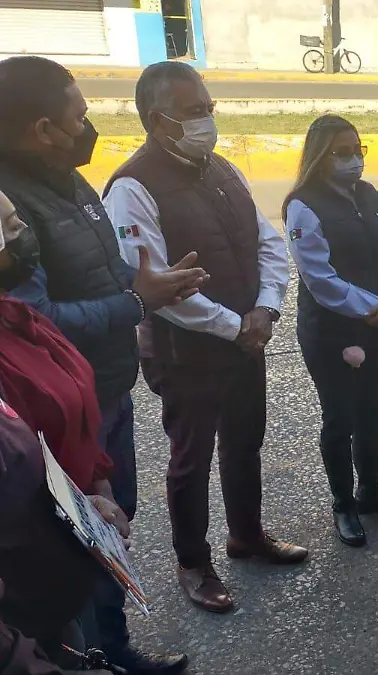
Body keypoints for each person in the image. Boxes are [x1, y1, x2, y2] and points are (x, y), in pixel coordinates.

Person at [0, 56, 196, 674]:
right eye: (77, 116)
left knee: (111, 530)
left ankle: (112, 651)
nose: (89, 127)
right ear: (42, 129)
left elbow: (107, 267)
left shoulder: (68, 179)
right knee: (72, 548)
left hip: (102, 391)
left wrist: (139, 289)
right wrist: (138, 301)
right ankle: (87, 659)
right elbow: (38, 320)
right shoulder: (11, 211)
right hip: (50, 418)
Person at [102, 61, 307, 615]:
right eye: (195, 112)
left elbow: (267, 241)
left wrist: (264, 310)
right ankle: (193, 562)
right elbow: (156, 284)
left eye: (209, 108)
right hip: (187, 351)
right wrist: (232, 325)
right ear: (157, 119)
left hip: (247, 338)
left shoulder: (224, 169)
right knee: (190, 458)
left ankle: (247, 535)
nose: (207, 120)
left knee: (245, 441)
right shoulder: (131, 188)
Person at [284, 115, 378, 546]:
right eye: (342, 152)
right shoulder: (303, 205)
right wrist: (371, 308)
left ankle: (370, 492)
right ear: (321, 157)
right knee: (339, 418)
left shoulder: (373, 196)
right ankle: (344, 504)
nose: (353, 159)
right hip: (332, 332)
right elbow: (319, 278)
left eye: (358, 150)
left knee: (370, 415)